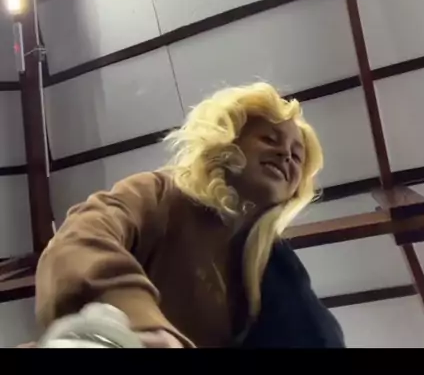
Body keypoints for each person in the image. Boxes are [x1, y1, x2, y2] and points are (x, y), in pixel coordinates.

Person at [35, 83, 345, 348]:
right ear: (228, 140)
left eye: (297, 156)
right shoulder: (161, 193)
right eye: (269, 139)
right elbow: (79, 242)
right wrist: (141, 321)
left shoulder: (273, 268)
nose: (286, 155)